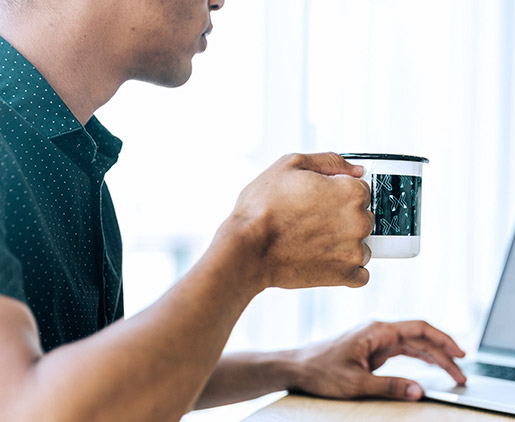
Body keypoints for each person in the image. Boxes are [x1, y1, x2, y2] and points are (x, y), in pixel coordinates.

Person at [0, 0, 467, 420]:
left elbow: (93, 390)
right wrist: (251, 244)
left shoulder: (68, 154)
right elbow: (31, 409)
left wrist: (297, 365)